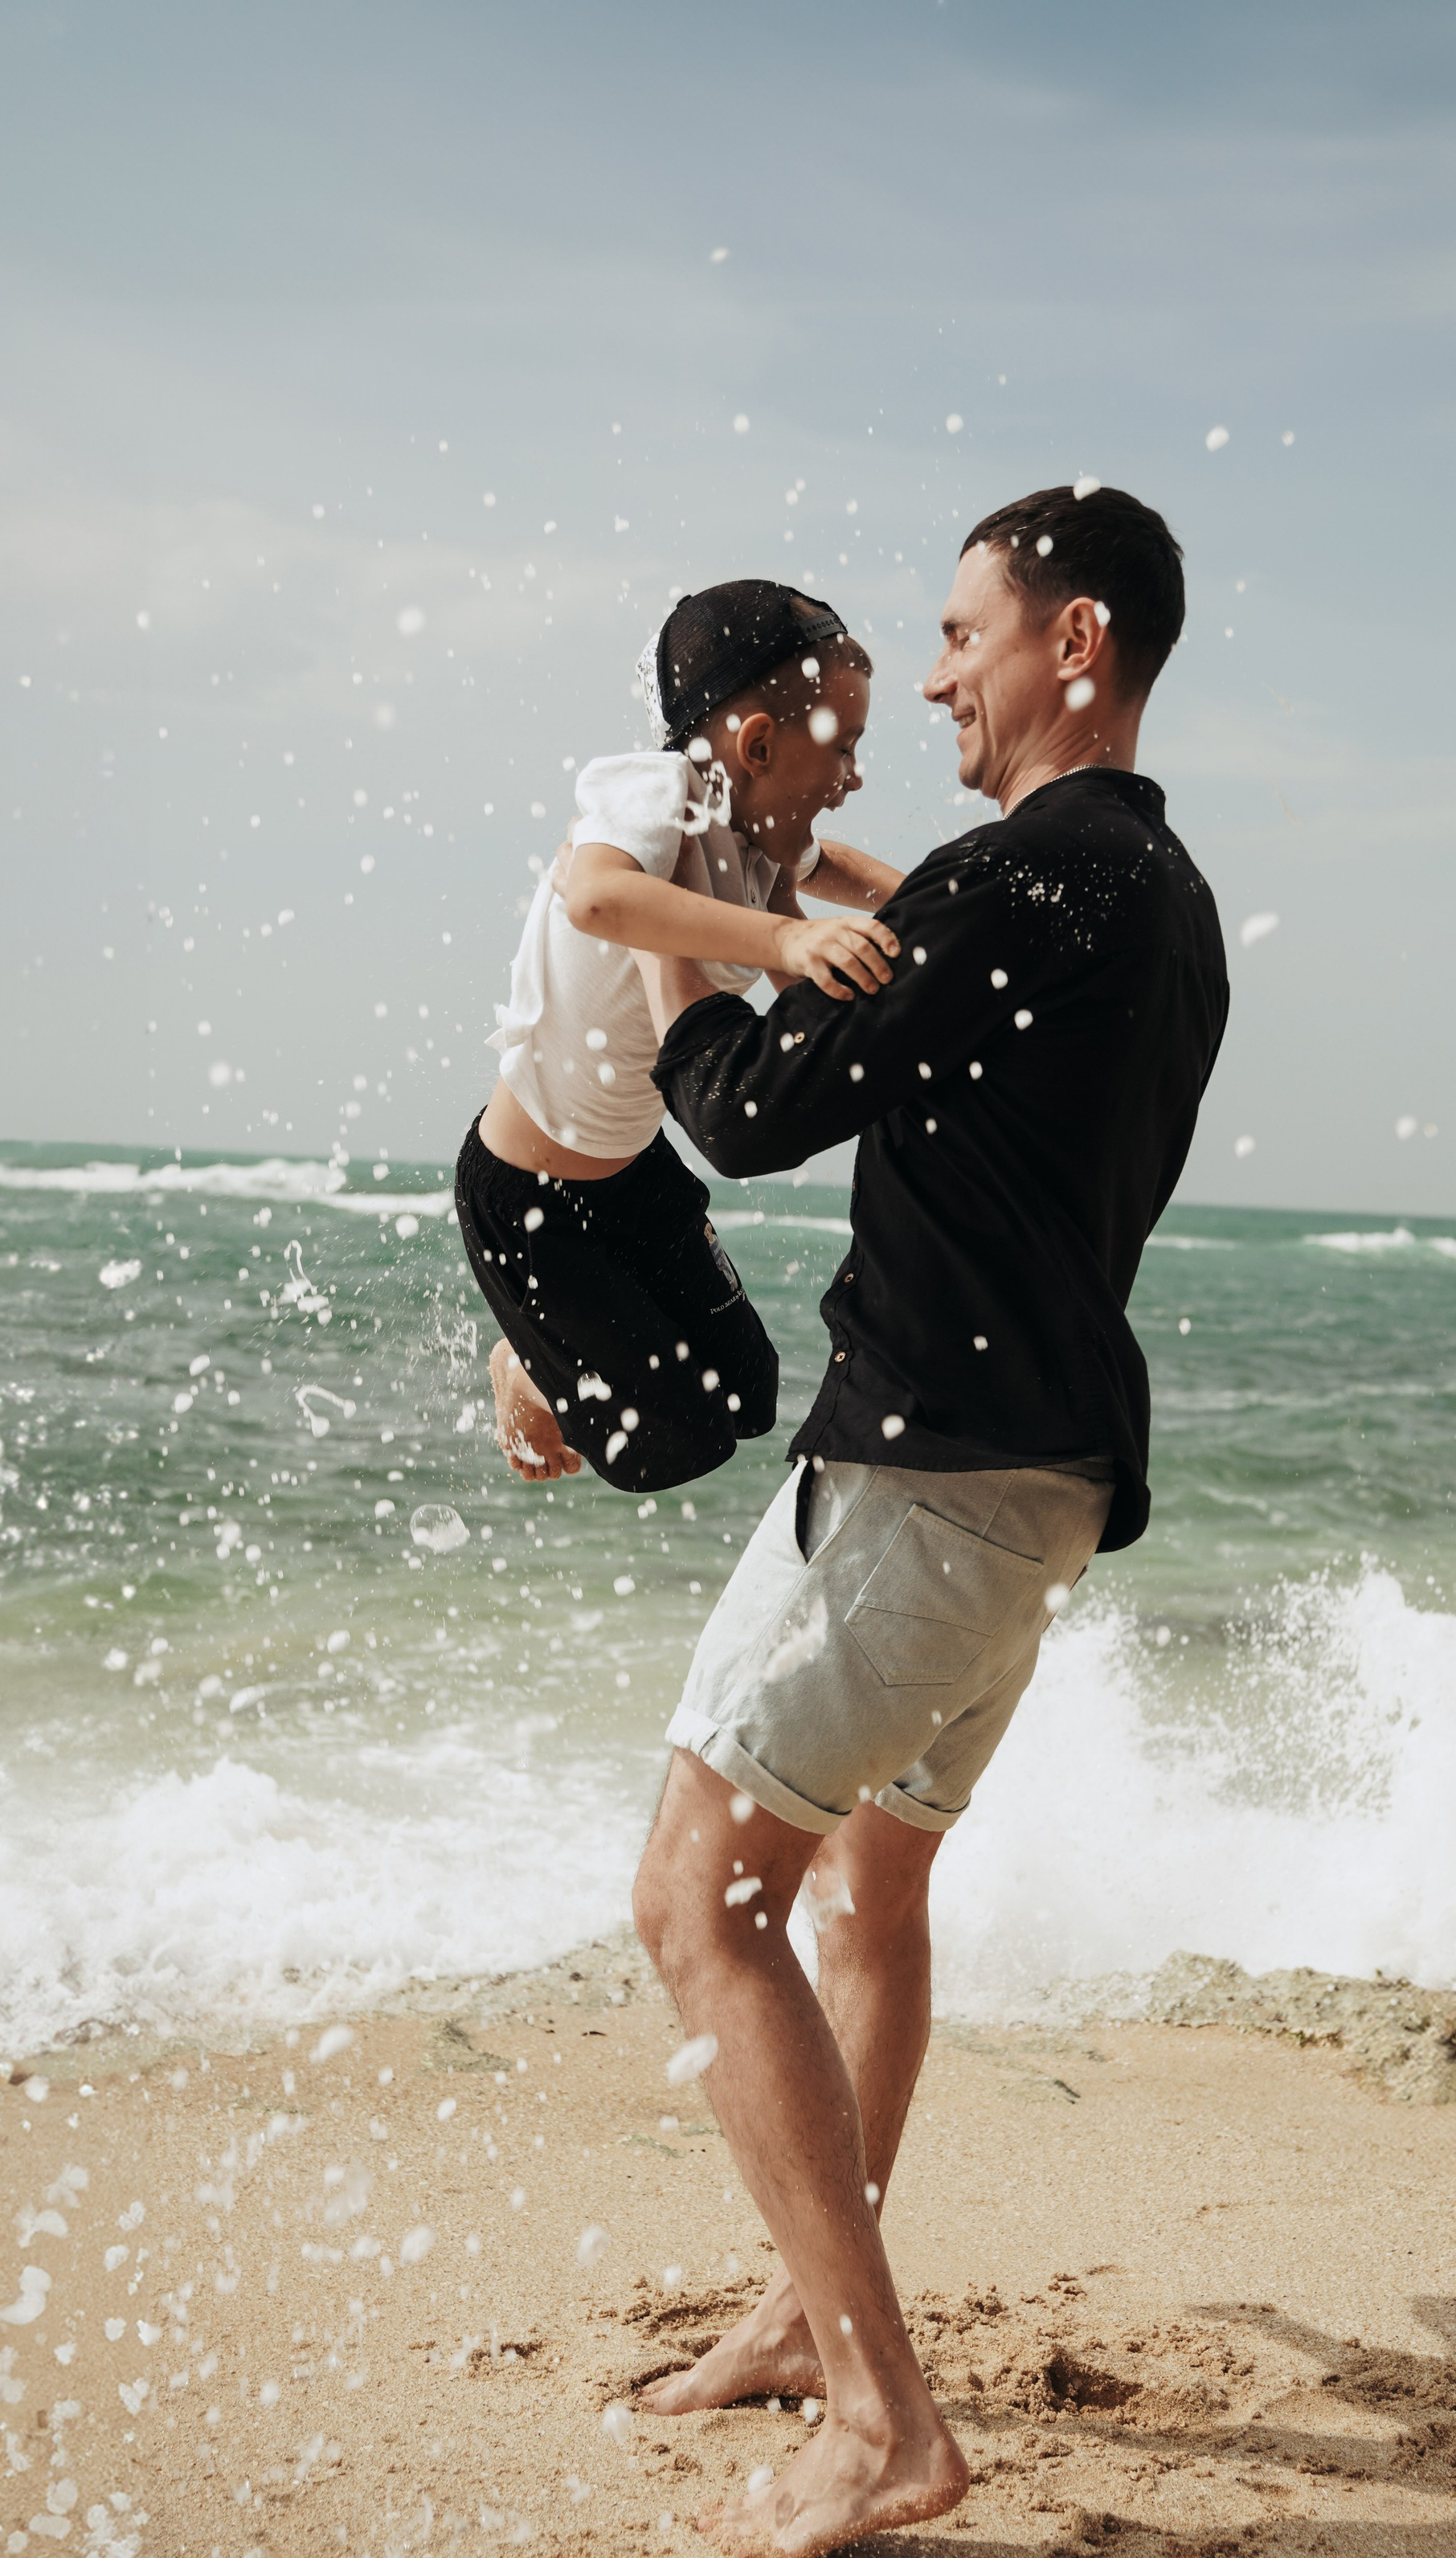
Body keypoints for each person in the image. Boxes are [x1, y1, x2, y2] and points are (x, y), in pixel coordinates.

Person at [625, 485, 1231, 2554]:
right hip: (1036, 1487)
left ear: (1072, 642)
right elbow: (947, 992)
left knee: (701, 1902)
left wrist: (682, 923)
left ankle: (882, 2415)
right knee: (870, 1898)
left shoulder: (1021, 881)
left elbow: (741, 1113)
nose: (939, 671)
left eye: (961, 633)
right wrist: (804, 890)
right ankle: (813, 2317)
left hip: (922, 1476)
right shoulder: (1157, 893)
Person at [452, 582, 904, 1494]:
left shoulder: (763, 835)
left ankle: (552, 1346)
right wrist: (786, 937)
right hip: (529, 1199)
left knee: (749, 1393)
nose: (854, 775)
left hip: (634, 1173)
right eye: (843, 746)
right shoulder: (657, 795)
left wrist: (958, 907)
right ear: (758, 745)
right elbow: (597, 898)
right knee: (666, 1445)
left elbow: (841, 877)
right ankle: (525, 1362)